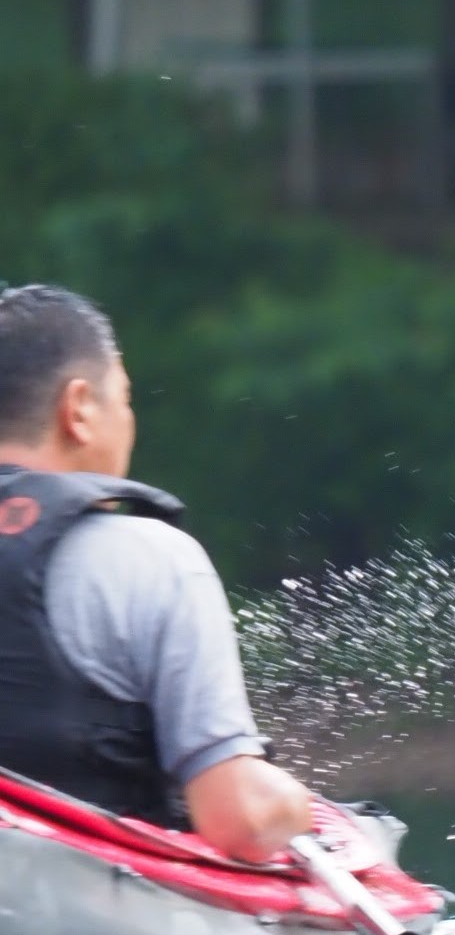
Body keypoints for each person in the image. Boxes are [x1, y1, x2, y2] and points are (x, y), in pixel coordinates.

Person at [0, 284, 314, 860]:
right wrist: (295, 807)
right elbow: (238, 823)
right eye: (124, 398)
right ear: (79, 410)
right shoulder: (149, 561)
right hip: (91, 928)